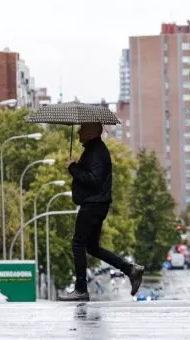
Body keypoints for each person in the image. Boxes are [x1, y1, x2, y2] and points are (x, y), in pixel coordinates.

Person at [59, 122, 144, 301]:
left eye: (83, 129)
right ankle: (130, 269)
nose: (79, 131)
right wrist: (75, 166)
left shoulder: (97, 151)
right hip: (97, 204)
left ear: (91, 132)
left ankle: (81, 289)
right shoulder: (93, 149)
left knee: (78, 243)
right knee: (92, 247)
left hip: (93, 205)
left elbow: (94, 180)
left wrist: (73, 168)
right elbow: (91, 175)